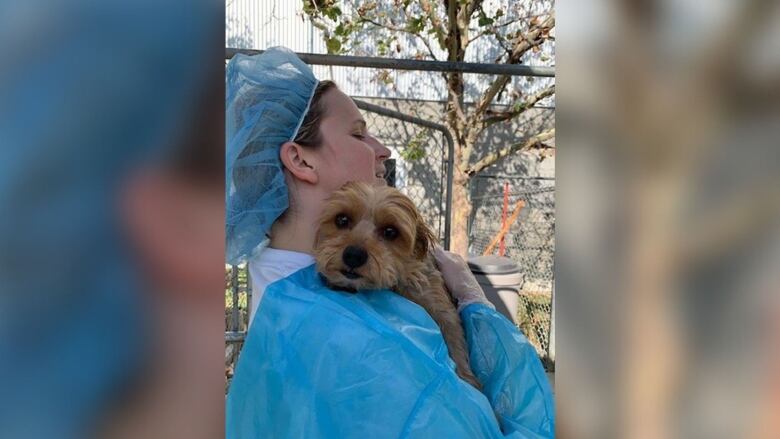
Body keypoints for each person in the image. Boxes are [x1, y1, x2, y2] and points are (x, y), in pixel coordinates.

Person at [225, 47, 555, 439]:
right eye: (359, 132)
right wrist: (473, 301)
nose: (383, 148)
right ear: (300, 160)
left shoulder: (286, 286)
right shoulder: (342, 334)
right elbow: (493, 425)